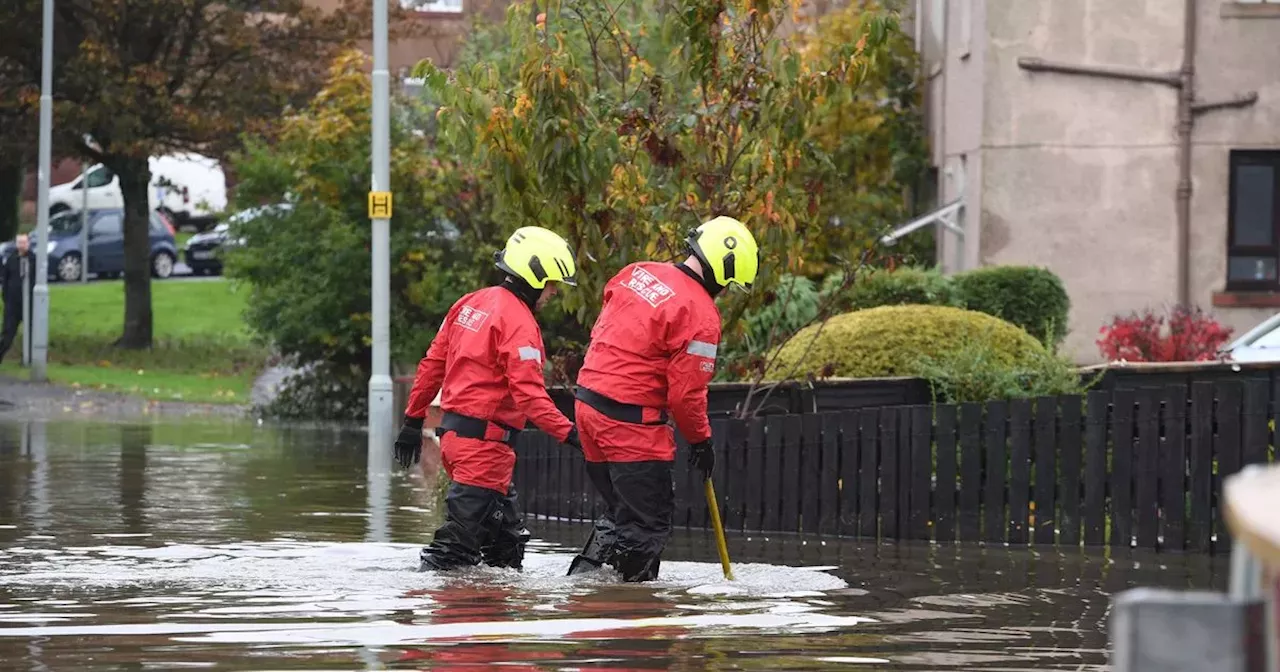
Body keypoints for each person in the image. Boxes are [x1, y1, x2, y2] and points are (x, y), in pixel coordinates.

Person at [567, 216, 759, 582]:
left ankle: (581, 593)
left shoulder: (637, 272)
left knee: (621, 513)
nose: (725, 291)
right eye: (729, 283)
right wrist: (701, 442)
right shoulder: (700, 314)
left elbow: (606, 324)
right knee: (646, 526)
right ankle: (629, 623)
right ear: (722, 269)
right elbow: (686, 395)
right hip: (631, 426)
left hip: (588, 408)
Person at [395, 226, 581, 572]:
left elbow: (432, 365)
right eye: (553, 283)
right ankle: (418, 615)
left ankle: (492, 618)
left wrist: (412, 420)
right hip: (484, 449)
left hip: (458, 441)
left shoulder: (469, 304)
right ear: (535, 275)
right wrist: (571, 434)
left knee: (505, 551)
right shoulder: (518, 321)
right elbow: (529, 396)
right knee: (453, 554)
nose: (554, 292)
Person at [0, 234, 34, 363]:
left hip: (29, 302)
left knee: (31, 332)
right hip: (12, 304)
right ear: (16, 244)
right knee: (7, 332)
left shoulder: (33, 259)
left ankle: (28, 359)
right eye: (20, 242)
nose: (22, 245)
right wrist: (6, 298)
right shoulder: (11, 259)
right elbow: (5, 280)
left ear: (28, 243)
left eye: (24, 242)